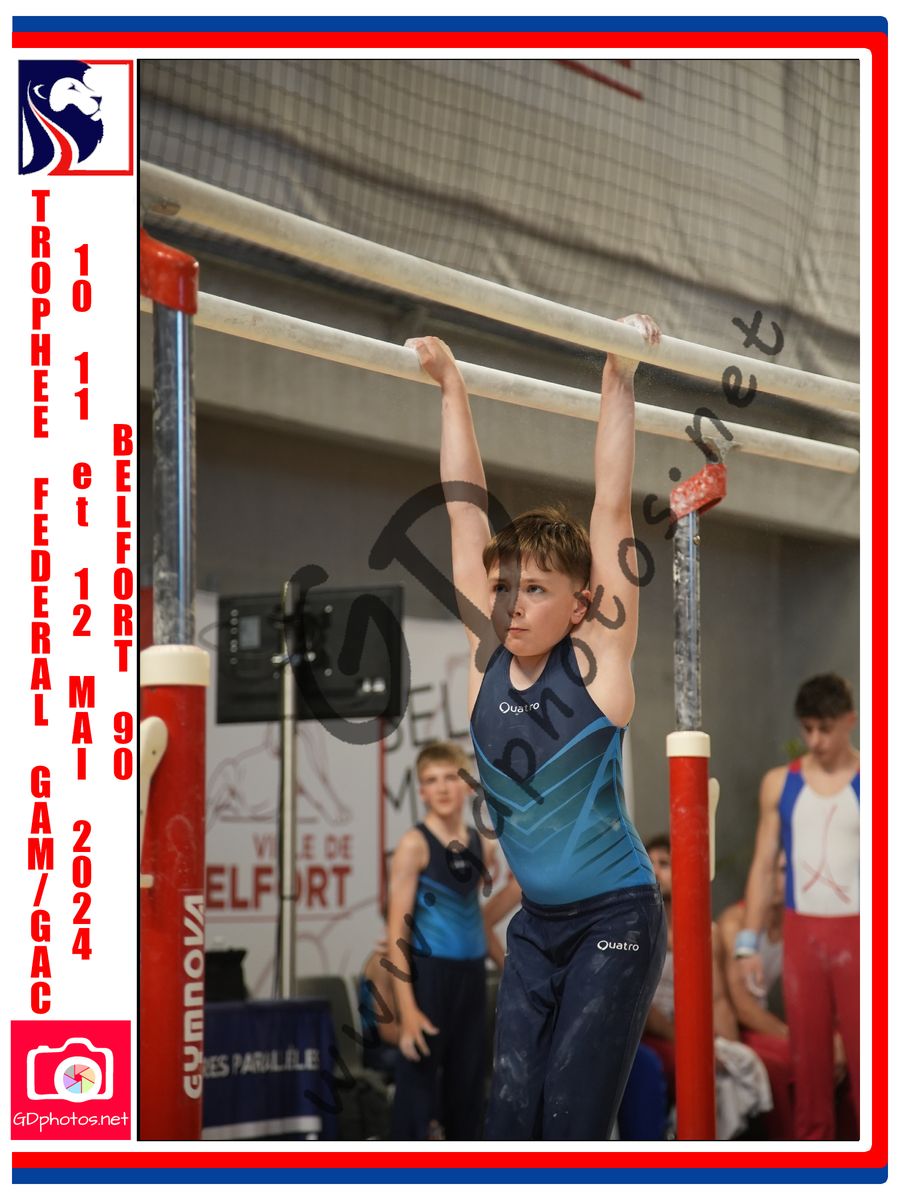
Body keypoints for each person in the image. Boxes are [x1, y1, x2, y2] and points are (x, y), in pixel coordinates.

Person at [407, 316, 666, 1140]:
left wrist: (619, 371)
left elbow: (612, 503)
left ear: (583, 604)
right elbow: (464, 512)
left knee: (571, 1117)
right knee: (510, 1118)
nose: (511, 606)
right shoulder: (485, 658)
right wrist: (452, 386)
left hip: (615, 920)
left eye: (536, 590)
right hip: (537, 930)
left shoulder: (598, 663)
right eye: (503, 588)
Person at [737, 673, 860, 1140]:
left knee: (870, 1065)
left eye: (825, 729)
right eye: (807, 729)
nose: (815, 741)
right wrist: (747, 944)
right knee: (809, 1064)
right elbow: (763, 865)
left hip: (862, 934)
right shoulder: (779, 784)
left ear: (849, 721)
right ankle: (813, 1165)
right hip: (802, 934)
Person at [385, 740, 496, 1140]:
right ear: (421, 791)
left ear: (466, 785)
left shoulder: (483, 844)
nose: (443, 788)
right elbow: (396, 933)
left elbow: (475, 915)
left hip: (472, 976)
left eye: (450, 777)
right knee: (416, 1095)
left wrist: (503, 959)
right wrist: (407, 1011)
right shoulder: (413, 846)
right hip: (429, 977)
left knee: (468, 1091)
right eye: (432, 781)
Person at [641, 834, 772, 1139]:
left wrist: (727, 1046)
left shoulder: (703, 932)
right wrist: (692, 1045)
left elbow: (718, 1001)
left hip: (694, 1027)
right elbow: (644, 1008)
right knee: (699, 1065)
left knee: (740, 1064)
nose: (655, 871)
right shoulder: (638, 930)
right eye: (650, 864)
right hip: (654, 1031)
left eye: (664, 864)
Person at [719, 853, 854, 1140]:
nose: (780, 879)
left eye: (788, 870)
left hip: (768, 1022)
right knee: (793, 1063)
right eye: (775, 870)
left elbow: (823, 993)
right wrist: (802, 1040)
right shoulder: (736, 923)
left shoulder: (794, 924)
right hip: (732, 1028)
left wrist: (834, 1037)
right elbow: (742, 1008)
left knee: (849, 1058)